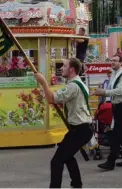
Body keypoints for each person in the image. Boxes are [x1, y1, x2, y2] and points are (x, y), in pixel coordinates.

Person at [34, 58, 93, 188]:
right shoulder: (79, 83)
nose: (61, 68)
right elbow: (68, 101)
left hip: (80, 129)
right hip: (81, 128)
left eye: (64, 66)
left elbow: (51, 99)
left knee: (56, 161)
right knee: (67, 156)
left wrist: (43, 82)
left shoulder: (72, 86)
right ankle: (77, 184)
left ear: (71, 69)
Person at [92, 55, 122, 171]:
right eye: (111, 60)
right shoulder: (114, 74)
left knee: (116, 134)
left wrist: (104, 92)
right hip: (117, 106)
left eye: (115, 61)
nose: (112, 62)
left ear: (121, 63)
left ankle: (111, 161)